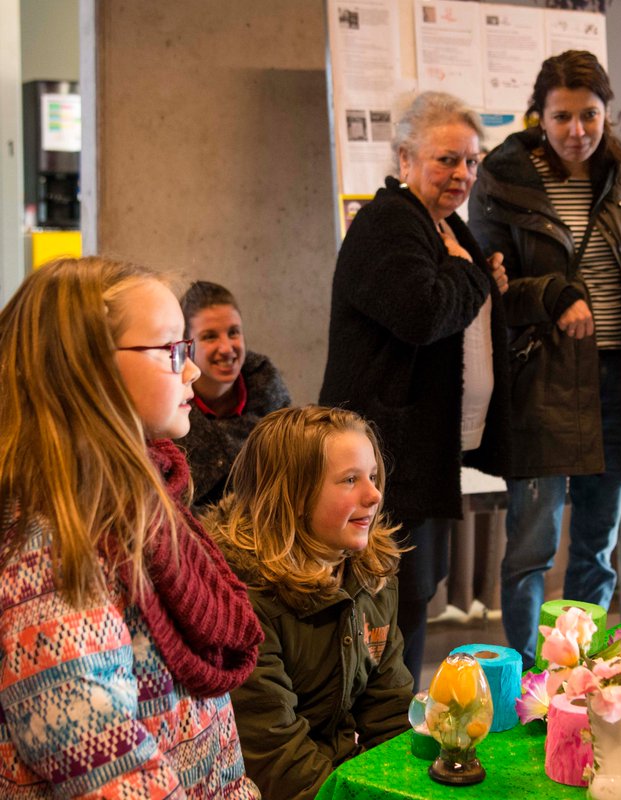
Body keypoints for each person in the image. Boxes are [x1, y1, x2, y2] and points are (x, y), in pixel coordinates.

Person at [0, 257, 262, 797]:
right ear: (87, 368)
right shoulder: (54, 551)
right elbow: (106, 765)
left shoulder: (143, 503)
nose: (191, 371)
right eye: (171, 351)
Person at [468, 49, 621, 668]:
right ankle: (526, 674)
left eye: (590, 115)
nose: (577, 131)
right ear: (539, 116)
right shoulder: (503, 176)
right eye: (561, 117)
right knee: (532, 544)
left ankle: (583, 673)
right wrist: (553, 295)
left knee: (597, 546)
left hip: (617, 378)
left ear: (607, 113)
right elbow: (489, 287)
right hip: (541, 379)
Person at [319, 91, 510, 685]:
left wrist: (479, 275)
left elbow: (467, 292)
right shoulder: (389, 222)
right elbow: (423, 314)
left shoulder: (440, 224)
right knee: (390, 607)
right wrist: (471, 274)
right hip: (385, 459)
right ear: (405, 158)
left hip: (414, 455)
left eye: (472, 161)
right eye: (447, 159)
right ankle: (383, 727)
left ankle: (394, 715)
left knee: (410, 599)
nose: (463, 174)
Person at [207, 406, 412, 800]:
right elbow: (276, 757)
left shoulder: (371, 576)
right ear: (294, 496)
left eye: (372, 476)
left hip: (339, 775)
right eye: (350, 480)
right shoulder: (242, 600)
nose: (374, 494)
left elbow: (389, 711)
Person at [178, 280, 292, 509]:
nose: (227, 348)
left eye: (233, 333)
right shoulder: (171, 410)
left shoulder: (268, 393)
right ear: (187, 345)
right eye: (210, 336)